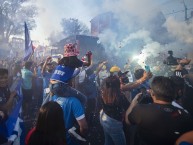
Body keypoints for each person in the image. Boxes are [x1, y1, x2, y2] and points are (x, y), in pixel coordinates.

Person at [125, 76, 193, 145]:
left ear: (152, 93)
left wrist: (133, 102)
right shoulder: (185, 115)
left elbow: (128, 121)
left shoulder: (140, 110)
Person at [49, 65, 88, 145]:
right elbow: (84, 127)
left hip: (56, 137)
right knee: (84, 99)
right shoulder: (74, 102)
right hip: (70, 140)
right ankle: (75, 128)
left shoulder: (53, 97)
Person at [100, 75, 129, 145]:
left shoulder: (102, 92)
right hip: (113, 123)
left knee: (108, 140)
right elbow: (128, 107)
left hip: (103, 116)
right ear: (117, 85)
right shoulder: (120, 96)